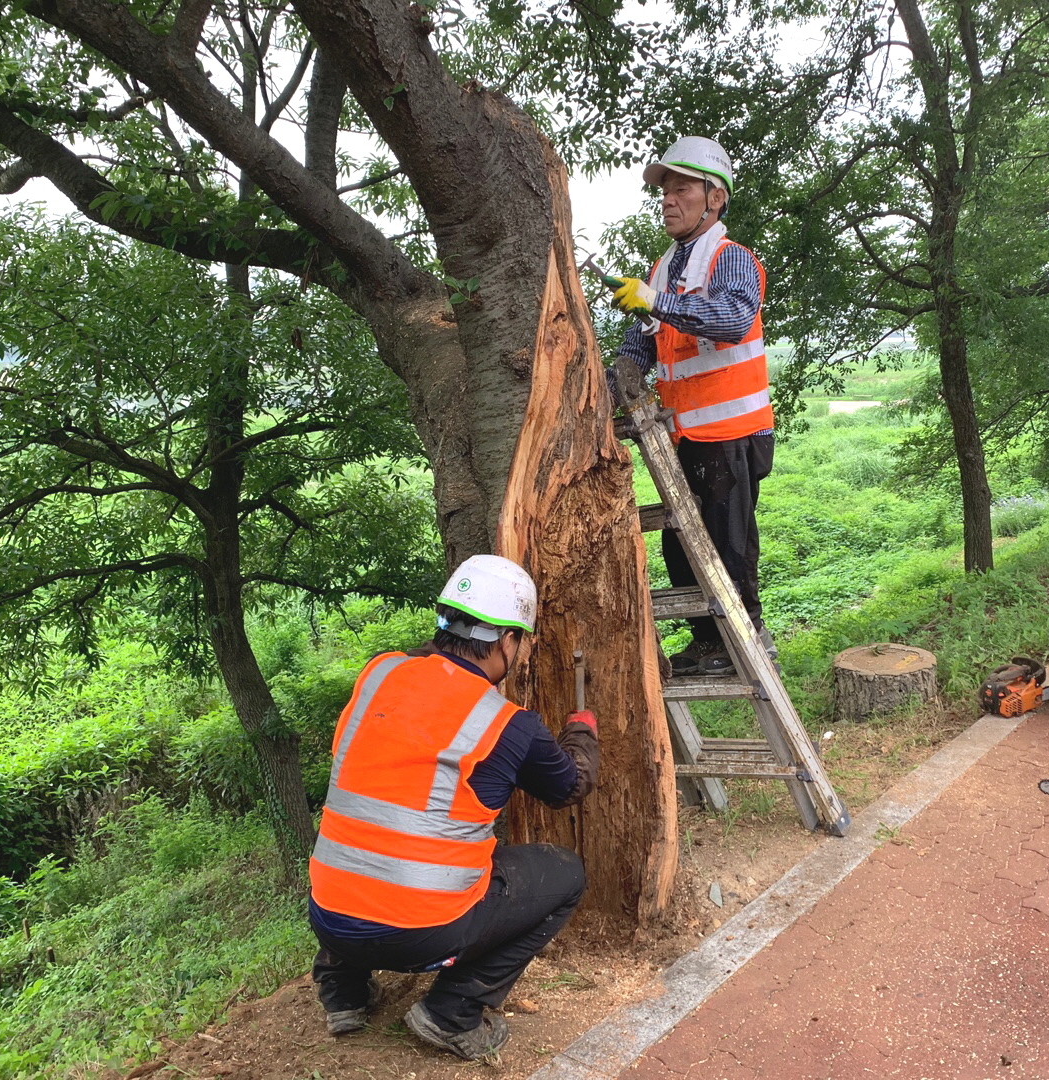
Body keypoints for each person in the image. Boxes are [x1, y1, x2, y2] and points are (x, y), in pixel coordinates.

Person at [307, 554, 599, 1062]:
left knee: (364, 863)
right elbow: (569, 788)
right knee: (565, 874)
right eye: (521, 642)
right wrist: (582, 733)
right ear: (507, 640)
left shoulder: (379, 674)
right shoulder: (508, 723)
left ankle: (344, 995)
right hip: (421, 934)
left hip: (328, 913)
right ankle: (451, 1012)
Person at [611, 135, 775, 677]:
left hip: (731, 431)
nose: (668, 200)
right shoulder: (664, 270)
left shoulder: (731, 260)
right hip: (685, 435)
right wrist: (619, 373)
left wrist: (656, 302)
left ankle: (747, 636)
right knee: (681, 548)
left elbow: (729, 320)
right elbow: (645, 338)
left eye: (681, 188)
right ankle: (709, 643)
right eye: (664, 190)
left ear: (715, 197)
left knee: (727, 544)